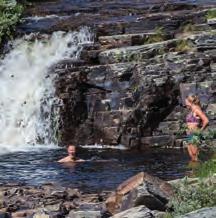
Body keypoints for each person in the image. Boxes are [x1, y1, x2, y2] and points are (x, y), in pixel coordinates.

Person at [185, 95, 209, 161]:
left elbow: (206, 120)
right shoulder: (191, 110)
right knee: (191, 155)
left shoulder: (197, 110)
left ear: (191, 102)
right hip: (189, 134)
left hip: (194, 134)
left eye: (186, 101)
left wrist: (200, 130)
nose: (185, 103)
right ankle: (193, 170)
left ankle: (197, 169)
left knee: (195, 154)